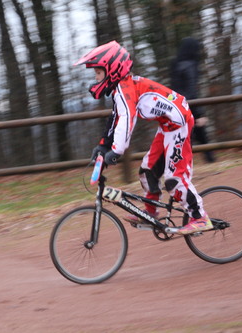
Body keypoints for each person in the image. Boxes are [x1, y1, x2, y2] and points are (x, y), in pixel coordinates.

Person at [74, 40, 212, 235]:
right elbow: (115, 118)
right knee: (147, 170)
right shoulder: (121, 88)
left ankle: (200, 217)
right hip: (167, 126)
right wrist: (104, 145)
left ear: (112, 69)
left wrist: (117, 150)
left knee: (174, 179)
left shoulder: (125, 89)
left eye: (98, 73)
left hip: (179, 123)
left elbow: (126, 120)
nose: (96, 78)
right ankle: (151, 210)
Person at [170, 37, 215, 163]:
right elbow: (191, 92)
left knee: (181, 139)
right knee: (201, 137)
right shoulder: (191, 65)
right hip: (190, 107)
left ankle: (177, 166)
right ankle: (210, 162)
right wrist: (199, 114)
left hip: (176, 106)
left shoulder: (175, 64)